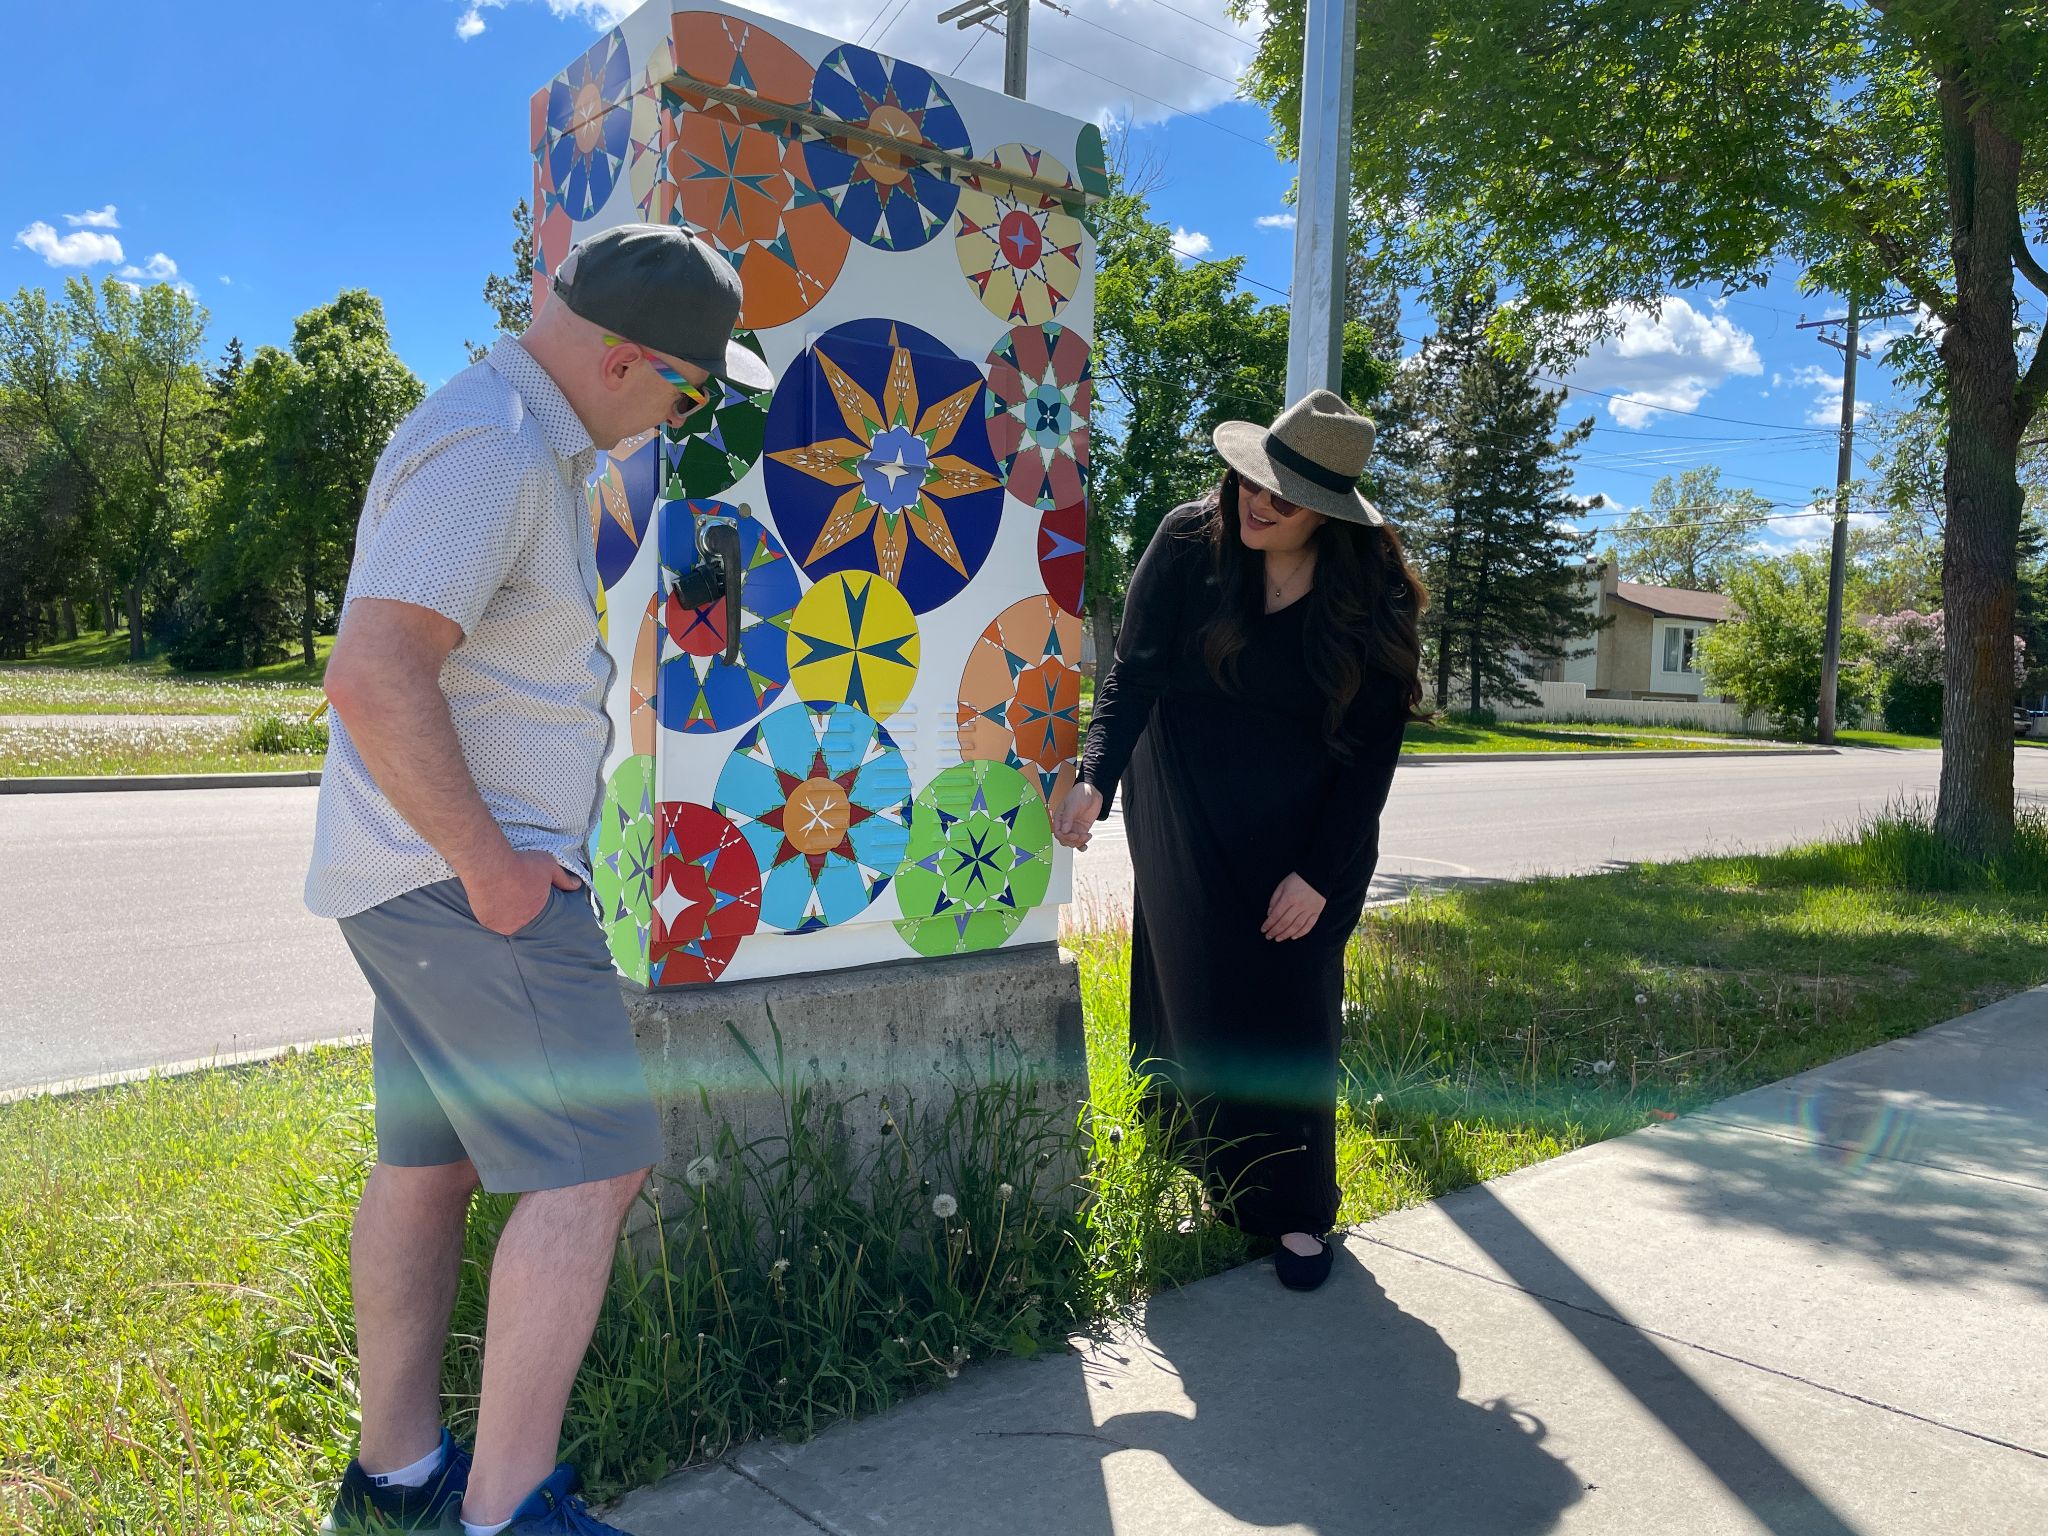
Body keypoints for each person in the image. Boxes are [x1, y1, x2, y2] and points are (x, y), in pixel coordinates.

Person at [308, 224, 773, 1536]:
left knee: (429, 1164)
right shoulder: (502, 451)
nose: (686, 411)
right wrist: (500, 875)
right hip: (469, 895)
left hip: (411, 890)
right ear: (629, 358)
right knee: (590, 1166)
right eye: (687, 386)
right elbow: (375, 673)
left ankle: (396, 1475)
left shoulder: (495, 426)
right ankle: (508, 1514)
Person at [1053, 389, 1426, 1293]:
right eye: (1251, 480)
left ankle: (1294, 1207)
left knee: (1291, 1002)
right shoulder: (1190, 539)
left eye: (1284, 499)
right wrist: (1097, 773)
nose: (1258, 503)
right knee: (1189, 979)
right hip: (1183, 791)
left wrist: (1318, 871)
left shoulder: (1370, 596)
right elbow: (1133, 671)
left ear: (1329, 517)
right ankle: (1199, 1172)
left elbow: (1371, 755)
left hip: (1311, 823)